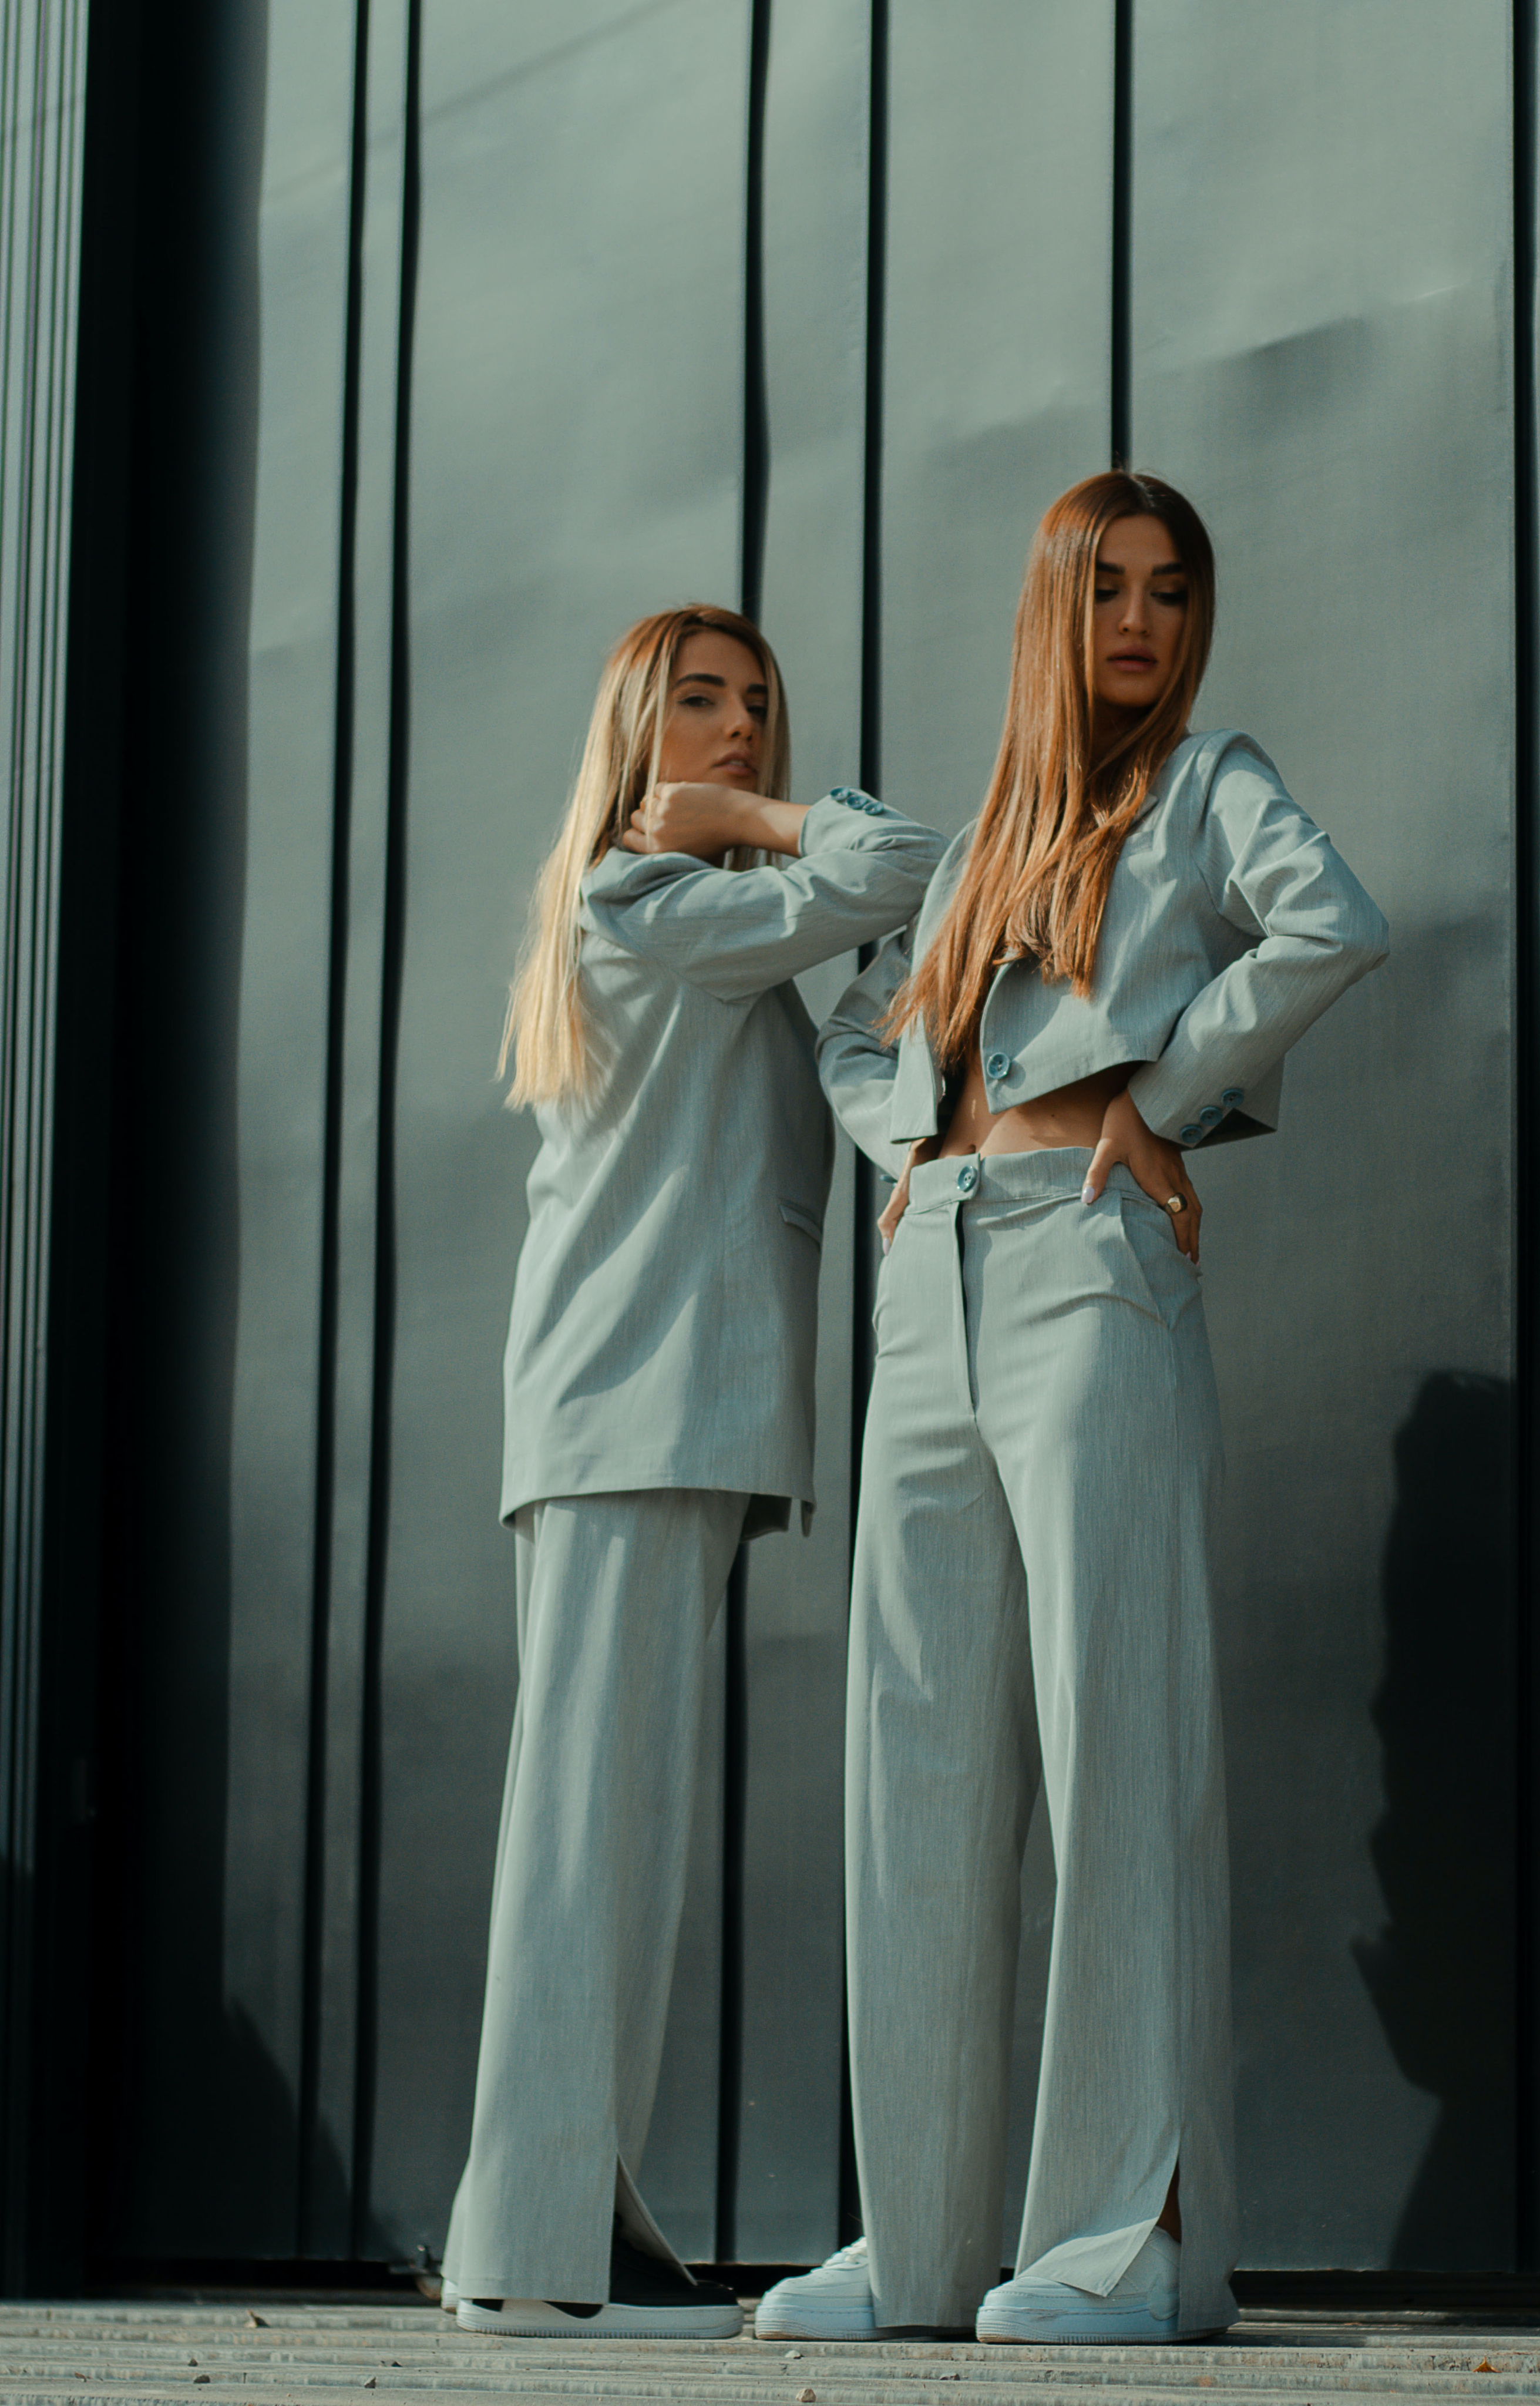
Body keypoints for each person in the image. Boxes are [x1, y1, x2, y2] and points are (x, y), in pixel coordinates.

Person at [758, 473, 1388, 2347]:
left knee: (1119, 1736)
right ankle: (925, 2245)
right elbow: (855, 1028)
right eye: (1103, 589)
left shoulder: (1210, 786)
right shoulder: (971, 852)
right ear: (1052, 609)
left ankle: (1129, 2241)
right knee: (918, 1756)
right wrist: (907, 1142)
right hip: (931, 1269)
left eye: (1169, 590)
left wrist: (1162, 1091)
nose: (1137, 620)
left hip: (1092, 1264)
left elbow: (1329, 922)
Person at [439, 605, 946, 2339]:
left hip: (647, 1424)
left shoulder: (688, 924)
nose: (737, 730)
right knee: (589, 1837)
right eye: (701, 705)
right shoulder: (648, 903)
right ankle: (524, 2254)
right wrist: (756, 816)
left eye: (758, 710)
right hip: (625, 1417)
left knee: (611, 1833)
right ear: (637, 730)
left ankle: (568, 2226)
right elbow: (899, 863)